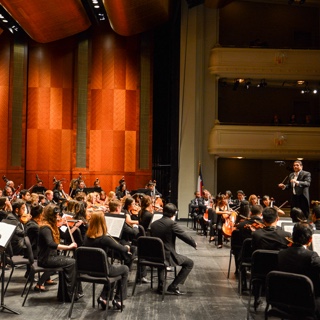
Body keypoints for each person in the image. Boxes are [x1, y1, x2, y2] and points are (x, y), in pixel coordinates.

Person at [83, 210, 129, 310]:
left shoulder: (86, 237)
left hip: (88, 271)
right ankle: (118, 299)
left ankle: (103, 297)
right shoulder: (105, 239)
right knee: (124, 269)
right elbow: (122, 249)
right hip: (103, 271)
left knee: (113, 271)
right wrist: (127, 247)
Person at [38, 204, 82, 302]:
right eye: (56, 215)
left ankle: (69, 294)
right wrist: (68, 247)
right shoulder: (45, 228)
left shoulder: (53, 226)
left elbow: (65, 235)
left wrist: (75, 226)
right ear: (51, 216)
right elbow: (51, 244)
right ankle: (69, 294)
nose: (58, 217)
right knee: (71, 262)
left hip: (52, 256)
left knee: (72, 262)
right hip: (46, 258)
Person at [150, 203, 197, 295]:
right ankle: (173, 286)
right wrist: (193, 243)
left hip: (155, 254)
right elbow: (184, 236)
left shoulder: (153, 224)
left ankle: (161, 286)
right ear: (174, 214)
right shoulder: (171, 224)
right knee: (189, 263)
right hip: (168, 255)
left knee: (161, 262)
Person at [278, 223, 320, 298]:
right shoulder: (312, 256)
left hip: (284, 298)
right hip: (306, 300)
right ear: (310, 239)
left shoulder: (281, 253)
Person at [25, 203, 55, 291]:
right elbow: (46, 239)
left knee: (52, 252)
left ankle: (47, 279)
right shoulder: (36, 227)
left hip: (33, 249)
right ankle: (39, 284)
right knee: (54, 258)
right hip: (34, 252)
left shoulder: (31, 222)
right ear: (40, 215)